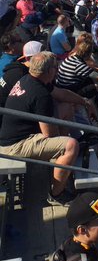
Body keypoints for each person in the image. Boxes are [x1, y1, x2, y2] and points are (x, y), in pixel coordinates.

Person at [0, 51, 80, 204]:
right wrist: (62, 139)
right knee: (71, 145)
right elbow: (49, 134)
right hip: (14, 145)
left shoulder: (27, 79)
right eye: (55, 68)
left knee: (65, 108)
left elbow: (62, 97)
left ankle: (61, 165)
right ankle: (56, 194)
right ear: (49, 71)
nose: (57, 70)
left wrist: (83, 102)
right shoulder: (41, 93)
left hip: (12, 135)